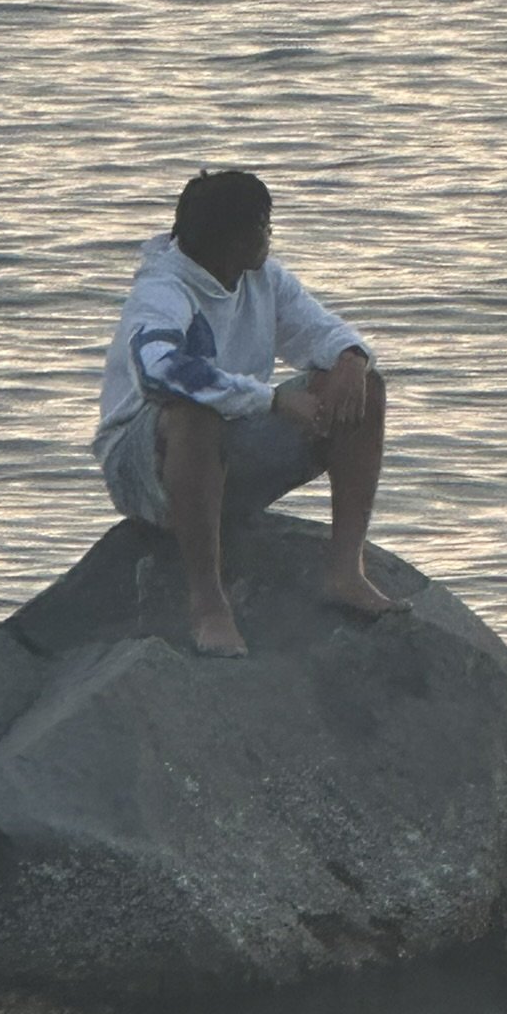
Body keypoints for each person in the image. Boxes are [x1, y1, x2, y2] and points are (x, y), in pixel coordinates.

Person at [94, 168, 408, 657]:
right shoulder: (162, 290)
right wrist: (274, 400)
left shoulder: (264, 280)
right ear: (233, 238)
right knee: (194, 413)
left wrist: (351, 357)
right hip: (146, 467)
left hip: (232, 446)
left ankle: (346, 571)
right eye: (263, 225)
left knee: (364, 389)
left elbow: (320, 331)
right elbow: (161, 372)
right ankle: (208, 605)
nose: (269, 236)